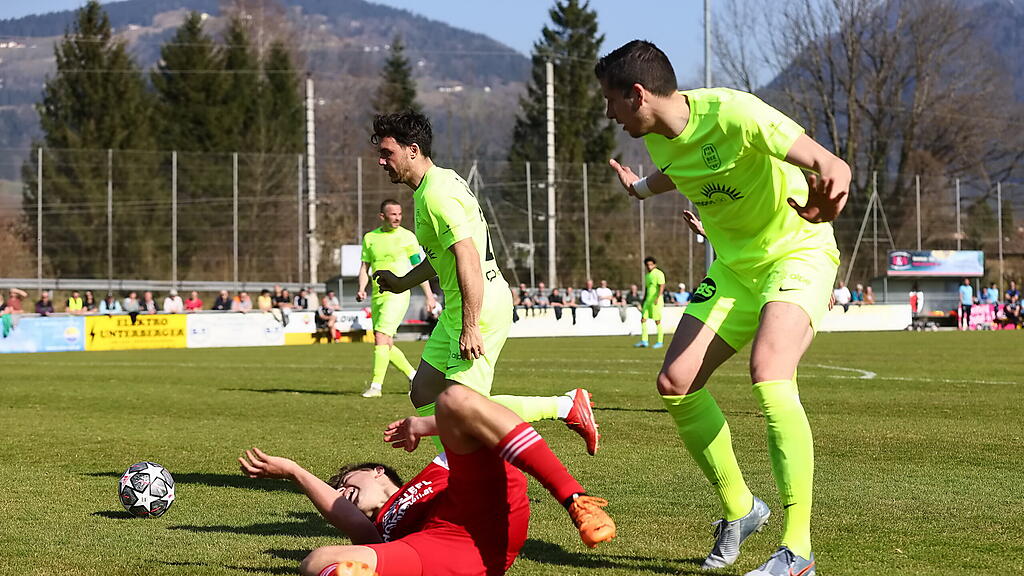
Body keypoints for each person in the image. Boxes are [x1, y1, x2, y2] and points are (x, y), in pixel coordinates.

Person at [598, 40, 851, 575]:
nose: (608, 113)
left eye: (611, 101)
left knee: (770, 372)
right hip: (735, 269)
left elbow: (831, 164)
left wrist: (831, 193)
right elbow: (679, 171)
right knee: (676, 383)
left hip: (797, 251)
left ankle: (798, 552)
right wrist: (639, 190)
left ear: (637, 94)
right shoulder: (659, 139)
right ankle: (741, 508)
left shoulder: (736, 112)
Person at [368, 111, 613, 545]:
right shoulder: (432, 187)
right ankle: (483, 444)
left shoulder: (437, 194)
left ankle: (561, 409)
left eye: (387, 153)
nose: (381, 161)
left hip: (477, 306)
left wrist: (470, 324)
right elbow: (444, 256)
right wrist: (403, 282)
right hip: (459, 306)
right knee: (424, 392)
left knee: (464, 412)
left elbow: (467, 255)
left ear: (413, 150)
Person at [238, 384, 611, 576]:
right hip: (435, 552)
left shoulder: (435, 469)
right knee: (317, 561)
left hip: (484, 511)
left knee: (454, 399)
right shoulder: (380, 530)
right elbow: (347, 518)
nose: (342, 490)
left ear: (377, 471)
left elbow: (477, 419)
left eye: (347, 481)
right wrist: (295, 471)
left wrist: (422, 424)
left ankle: (576, 499)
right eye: (339, 489)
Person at [357, 199, 438, 398]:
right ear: (382, 216)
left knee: (381, 337)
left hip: (398, 294)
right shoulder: (370, 238)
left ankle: (376, 386)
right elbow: (364, 267)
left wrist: (429, 296)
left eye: (399, 213)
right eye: (393, 214)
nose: (397, 217)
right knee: (385, 342)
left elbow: (418, 266)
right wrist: (361, 288)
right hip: (378, 295)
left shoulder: (408, 237)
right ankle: (414, 376)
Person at [635, 256, 666, 349]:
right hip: (648, 301)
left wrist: (658, 297)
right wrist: (643, 300)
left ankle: (660, 341)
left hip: (656, 301)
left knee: (657, 321)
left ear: (654, 265)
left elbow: (662, 286)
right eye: (647, 265)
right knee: (643, 319)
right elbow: (647, 289)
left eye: (651, 264)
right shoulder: (647, 276)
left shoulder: (659, 273)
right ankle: (644, 341)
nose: (649, 266)